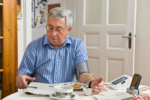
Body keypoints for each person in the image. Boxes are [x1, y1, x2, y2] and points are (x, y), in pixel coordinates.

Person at [16, 7, 104, 94]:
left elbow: (82, 73)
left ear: (68, 30)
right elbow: (22, 75)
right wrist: (20, 78)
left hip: (65, 95)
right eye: (50, 28)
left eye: (59, 29)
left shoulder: (77, 45)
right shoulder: (33, 46)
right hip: (39, 96)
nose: (53, 33)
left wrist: (93, 83)